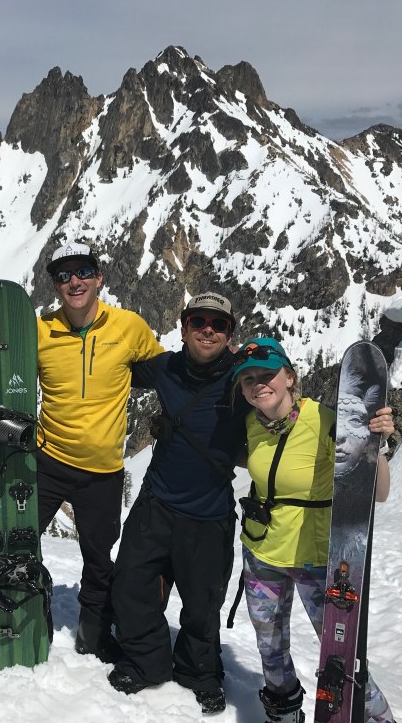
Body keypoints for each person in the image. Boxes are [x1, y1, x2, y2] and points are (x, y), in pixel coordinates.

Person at [0, 242, 162, 662]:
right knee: (20, 543)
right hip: (47, 461)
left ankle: (92, 630)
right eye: (63, 276)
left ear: (99, 278)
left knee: (98, 558)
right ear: (55, 286)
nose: (74, 282)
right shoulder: (40, 332)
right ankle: (25, 606)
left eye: (82, 272)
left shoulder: (129, 327)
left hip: (103, 471)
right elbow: (0, 366)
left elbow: (164, 371)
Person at [232, 337, 395, 723]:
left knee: (343, 656)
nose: (258, 384)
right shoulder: (251, 425)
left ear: (289, 377)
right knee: (270, 649)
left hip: (317, 560)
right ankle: (284, 713)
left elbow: (379, 493)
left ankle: (377, 718)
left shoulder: (325, 420)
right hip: (261, 554)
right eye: (248, 379)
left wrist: (376, 444)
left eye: (267, 374)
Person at [108, 292, 247, 715]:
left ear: (229, 335)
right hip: (156, 505)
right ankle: (144, 662)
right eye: (199, 321)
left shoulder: (243, 379)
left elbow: (282, 400)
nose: (208, 330)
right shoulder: (165, 367)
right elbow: (113, 366)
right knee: (131, 587)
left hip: (209, 516)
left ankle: (199, 673)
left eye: (219, 325)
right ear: (183, 328)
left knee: (202, 605)